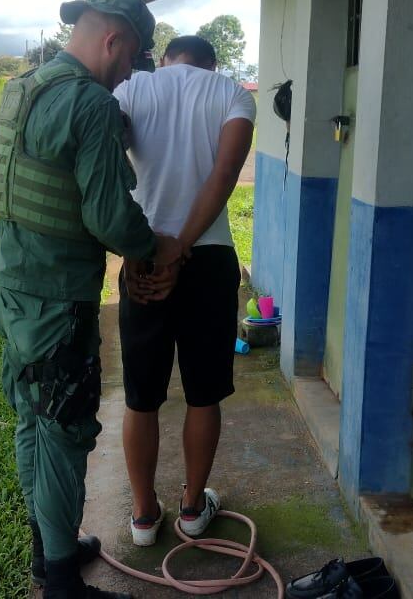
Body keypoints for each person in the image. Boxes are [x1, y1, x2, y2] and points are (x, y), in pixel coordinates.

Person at [0, 0, 182, 599]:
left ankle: (50, 550)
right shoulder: (90, 105)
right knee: (65, 428)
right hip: (57, 294)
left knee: (29, 416)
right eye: (130, 60)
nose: (128, 73)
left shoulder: (24, 87)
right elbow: (108, 218)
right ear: (113, 40)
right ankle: (63, 584)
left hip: (11, 279)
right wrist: (156, 245)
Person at [112, 35, 256, 547]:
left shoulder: (133, 89)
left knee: (141, 396)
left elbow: (108, 166)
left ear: (168, 59)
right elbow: (225, 174)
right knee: (203, 394)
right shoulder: (233, 95)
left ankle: (145, 515)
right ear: (212, 63)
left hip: (143, 255)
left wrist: (145, 246)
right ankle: (194, 508)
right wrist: (185, 246)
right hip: (210, 257)